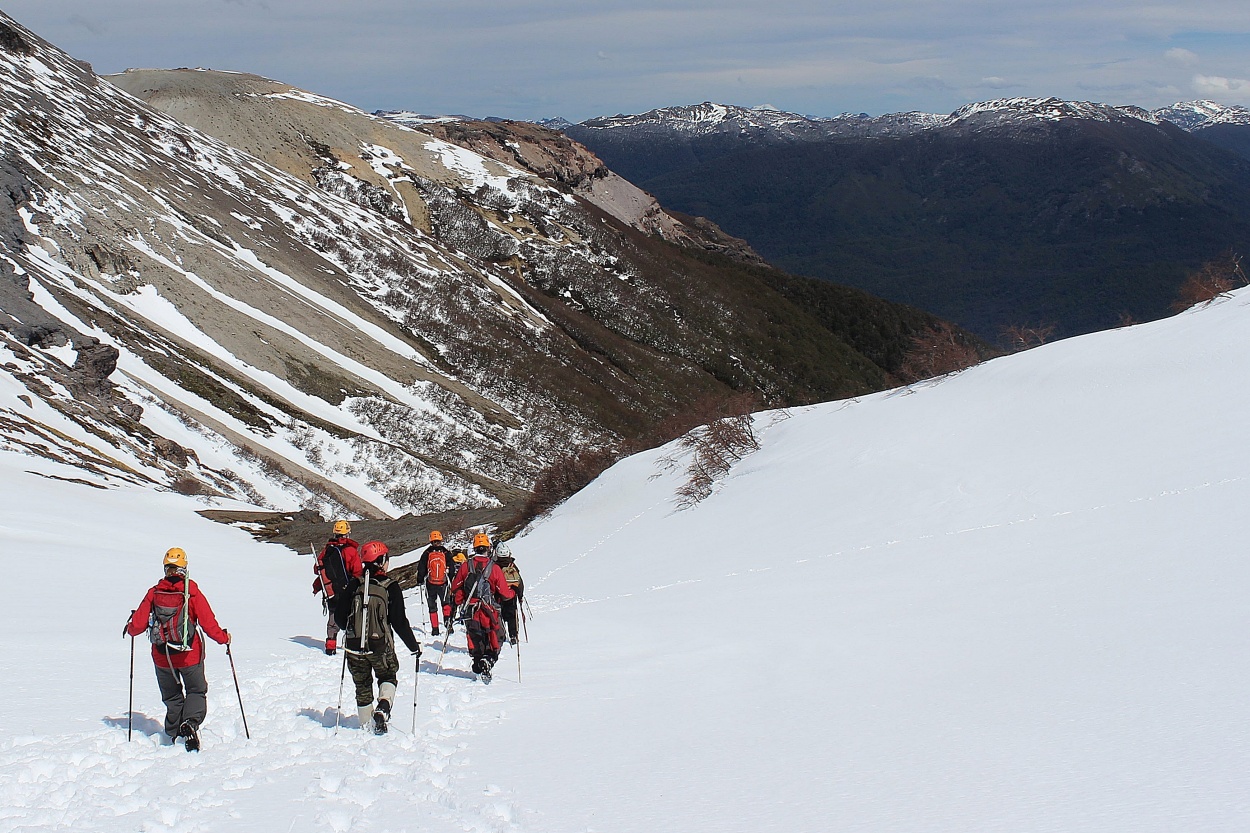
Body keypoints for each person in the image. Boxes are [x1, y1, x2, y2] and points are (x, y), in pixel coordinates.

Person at [123, 547, 230, 752]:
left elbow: (136, 627)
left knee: (172, 697)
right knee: (196, 690)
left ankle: (172, 735)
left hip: (162, 657)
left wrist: (129, 628)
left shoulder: (154, 593)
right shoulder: (192, 592)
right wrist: (224, 638)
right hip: (190, 655)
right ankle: (189, 724)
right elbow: (208, 624)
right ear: (184, 568)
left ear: (166, 568)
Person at [334, 540, 421, 734]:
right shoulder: (390, 586)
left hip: (354, 646)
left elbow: (340, 618)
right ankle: (383, 707)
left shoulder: (354, 584)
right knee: (387, 675)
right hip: (380, 646)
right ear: (381, 561)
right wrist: (414, 647)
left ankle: (366, 726)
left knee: (362, 685)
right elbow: (399, 621)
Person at [450, 533, 515, 682]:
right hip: (489, 611)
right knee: (495, 638)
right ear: (488, 548)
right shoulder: (494, 568)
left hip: (470, 611)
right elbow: (505, 593)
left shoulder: (466, 565)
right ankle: (489, 660)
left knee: (475, 639)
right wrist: (513, 592)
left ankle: (478, 663)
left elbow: (455, 587)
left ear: (474, 548)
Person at [313, 519, 361, 655]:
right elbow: (357, 571)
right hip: (348, 590)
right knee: (352, 617)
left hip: (331, 591)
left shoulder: (328, 549)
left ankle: (330, 646)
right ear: (348, 533)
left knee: (333, 619)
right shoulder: (351, 550)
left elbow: (317, 569)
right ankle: (352, 645)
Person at [415, 530, 454, 636]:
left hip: (430, 583)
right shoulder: (445, 552)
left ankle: (435, 629)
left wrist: (420, 580)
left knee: (432, 607)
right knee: (446, 604)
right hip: (443, 583)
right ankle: (448, 624)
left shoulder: (427, 553)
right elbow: (452, 567)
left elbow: (421, 568)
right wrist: (450, 578)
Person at [494, 546, 525, 645]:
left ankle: (501, 634)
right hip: (512, 595)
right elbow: (519, 582)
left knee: (499, 615)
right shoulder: (512, 565)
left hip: (498, 595)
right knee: (512, 615)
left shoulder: (495, 566)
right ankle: (514, 635)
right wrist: (520, 596)